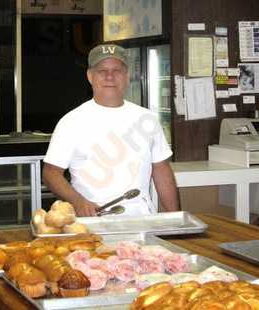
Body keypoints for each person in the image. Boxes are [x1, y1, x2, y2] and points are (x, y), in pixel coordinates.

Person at [43, 43, 179, 217]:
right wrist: (77, 201)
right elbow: (50, 173)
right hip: (92, 223)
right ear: (90, 76)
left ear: (127, 76)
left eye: (117, 70)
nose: (110, 77)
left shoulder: (147, 119)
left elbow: (162, 170)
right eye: (102, 71)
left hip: (142, 221)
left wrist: (175, 218)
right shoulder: (71, 122)